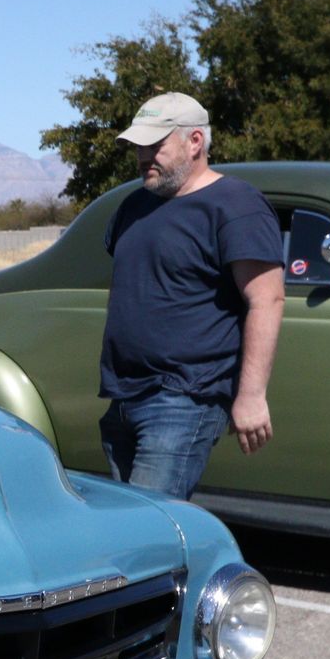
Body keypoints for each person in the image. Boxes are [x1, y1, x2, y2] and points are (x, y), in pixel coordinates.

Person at [100, 92, 284, 499]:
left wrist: (251, 397)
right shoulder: (133, 206)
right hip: (124, 397)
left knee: (148, 530)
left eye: (155, 145)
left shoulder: (235, 205)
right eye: (138, 147)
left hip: (184, 400)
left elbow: (266, 300)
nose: (143, 156)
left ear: (195, 142)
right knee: (126, 527)